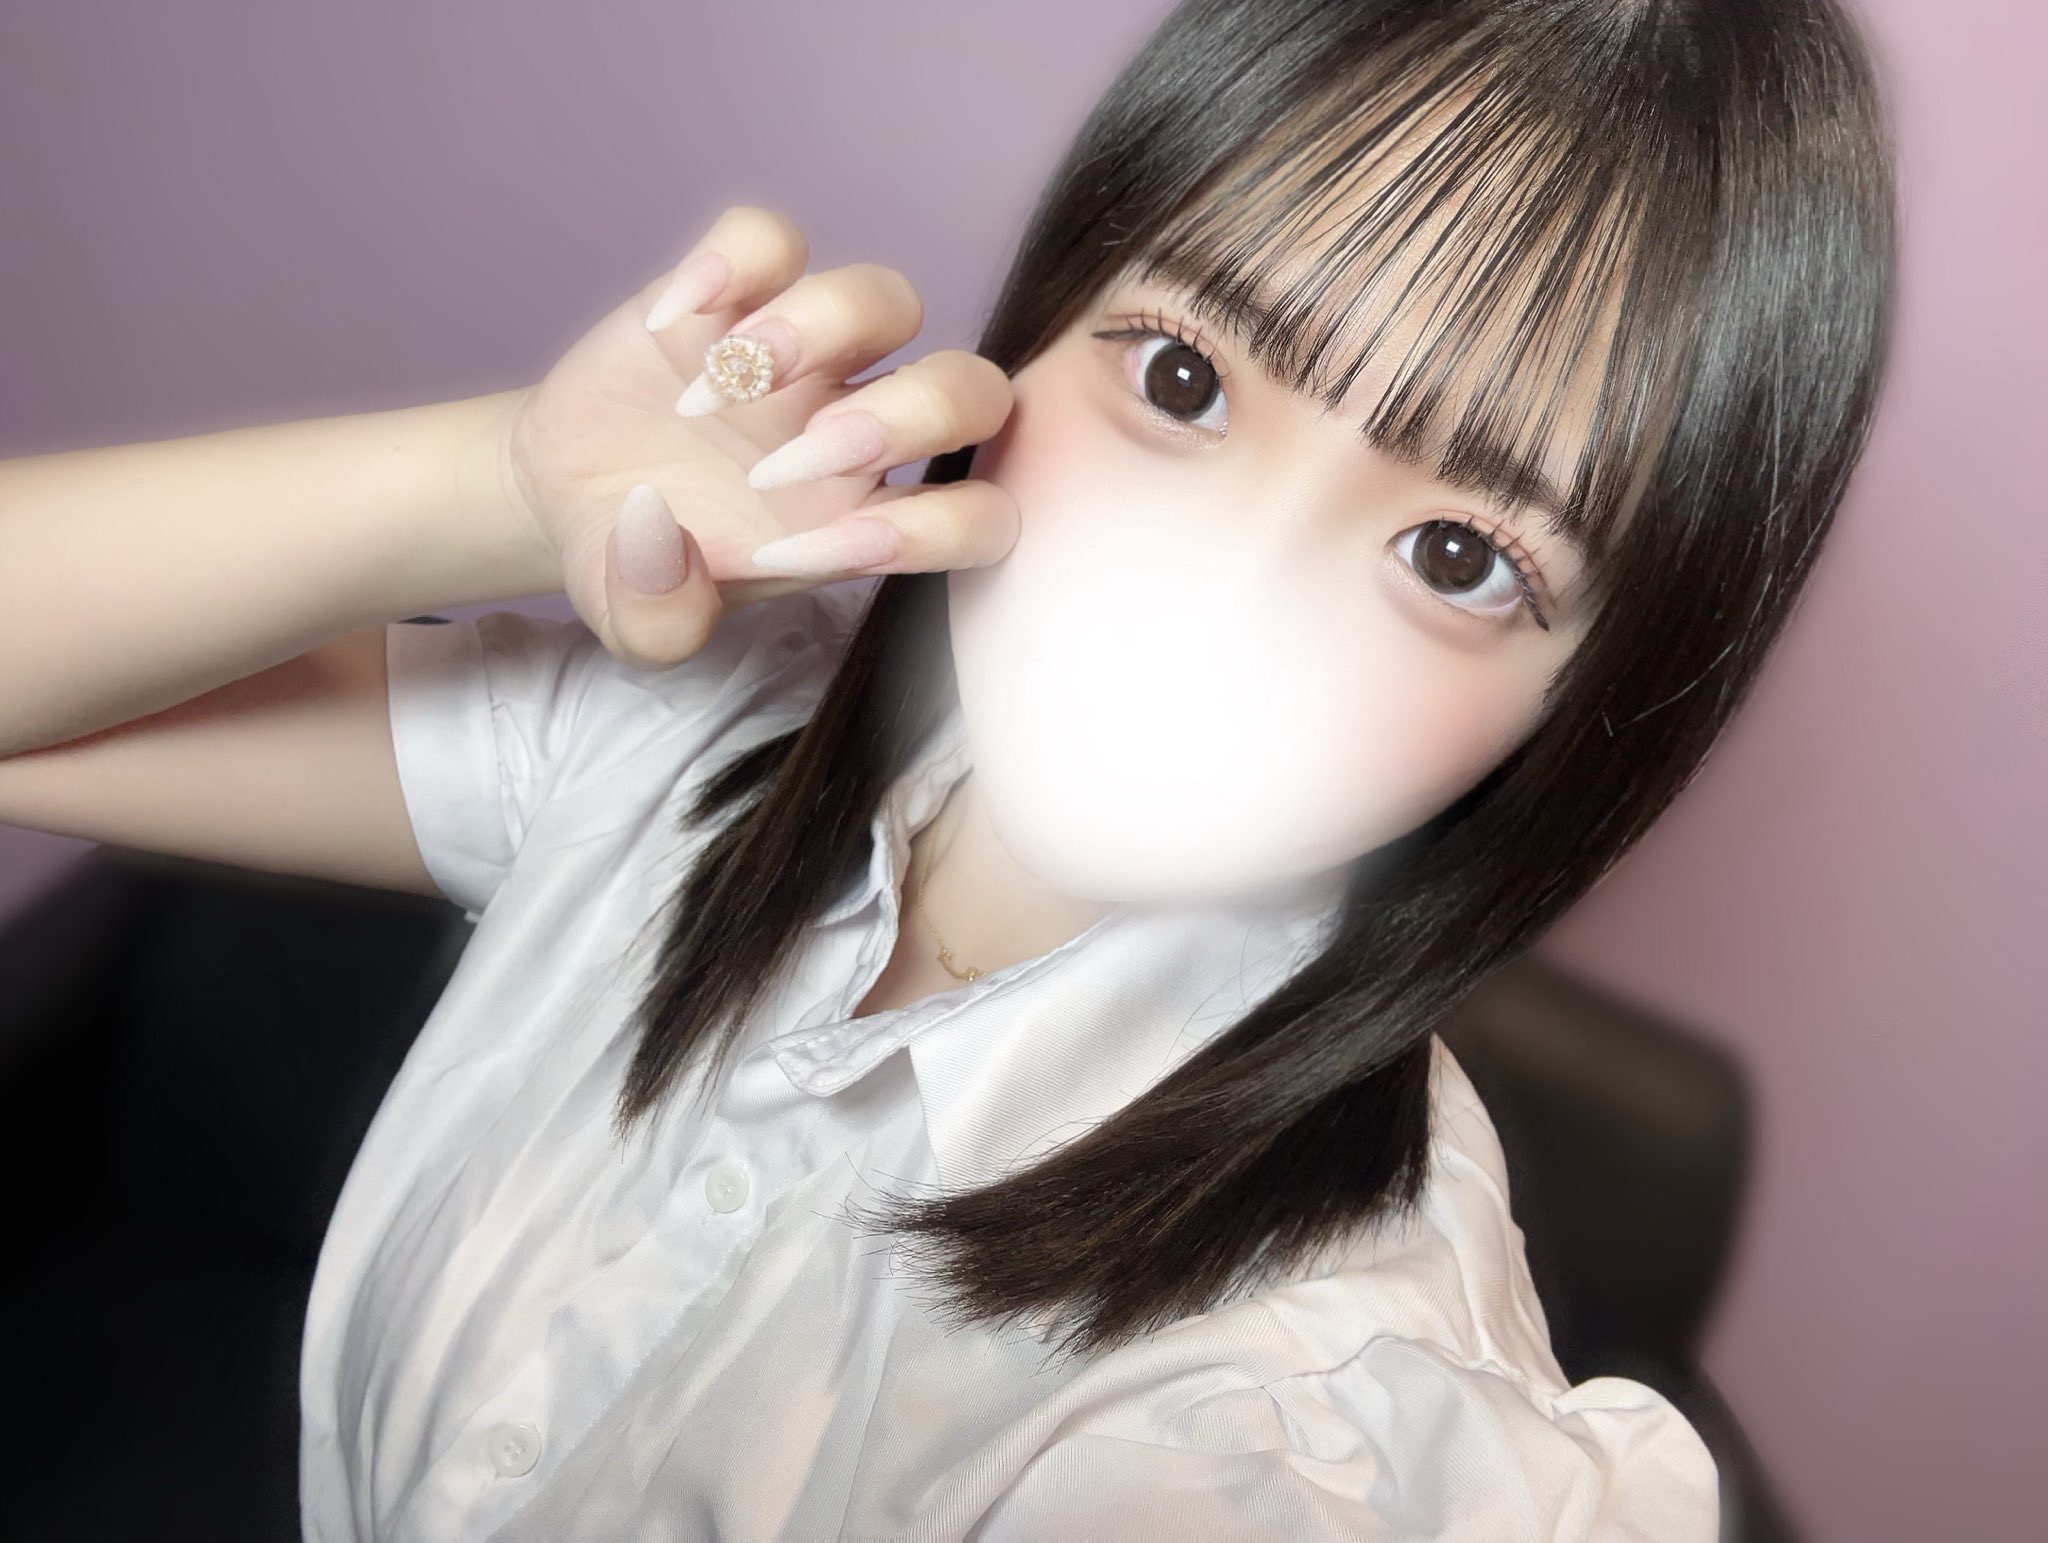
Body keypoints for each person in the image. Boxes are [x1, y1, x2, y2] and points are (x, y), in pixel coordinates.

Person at [0, 0, 1896, 1536]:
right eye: (1181, 379)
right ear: (1038, 330)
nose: (1220, 599)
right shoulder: (713, 740)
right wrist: (494, 482)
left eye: (1460, 557)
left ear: (1588, 709)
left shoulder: (1300, 1429)